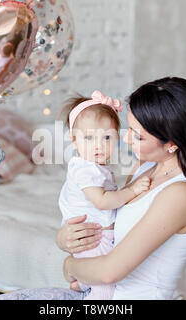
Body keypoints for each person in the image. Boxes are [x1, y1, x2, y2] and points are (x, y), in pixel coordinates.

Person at [0, 76, 186, 300]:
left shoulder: (181, 194)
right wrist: (65, 239)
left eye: (138, 136)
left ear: (172, 143)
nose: (125, 139)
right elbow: (109, 214)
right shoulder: (146, 167)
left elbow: (109, 273)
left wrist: (68, 265)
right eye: (129, 129)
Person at [58, 90, 150, 299]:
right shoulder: (85, 169)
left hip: (94, 236)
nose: (99, 145)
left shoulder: (95, 166)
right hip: (93, 238)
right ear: (74, 140)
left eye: (107, 137)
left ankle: (82, 283)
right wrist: (132, 191)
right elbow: (101, 201)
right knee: (105, 289)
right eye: (89, 137)